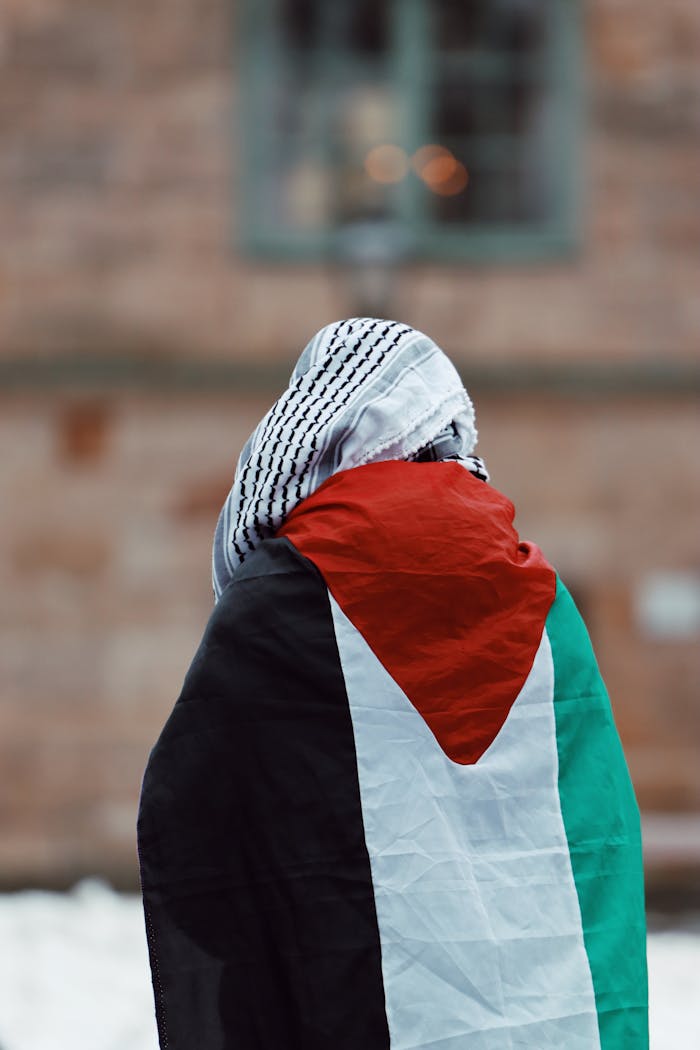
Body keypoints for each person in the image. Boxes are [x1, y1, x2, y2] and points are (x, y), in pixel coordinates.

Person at [138, 318, 648, 1049]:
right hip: (543, 1010)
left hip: (345, 1004)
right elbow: (599, 823)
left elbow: (194, 817)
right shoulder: (548, 600)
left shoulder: (280, 599)